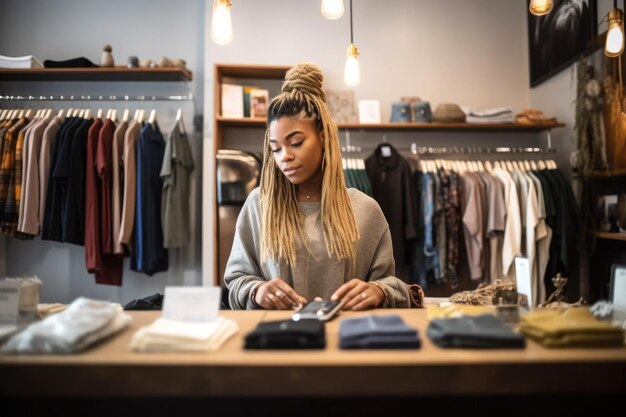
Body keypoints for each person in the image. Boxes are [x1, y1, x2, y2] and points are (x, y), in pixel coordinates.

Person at [224, 62, 422, 310]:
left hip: (346, 341)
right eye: (275, 148)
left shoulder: (365, 211)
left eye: (296, 142)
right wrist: (256, 290)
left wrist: (379, 291)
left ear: (324, 139)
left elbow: (391, 285)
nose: (283, 156)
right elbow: (236, 282)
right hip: (277, 343)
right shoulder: (259, 205)